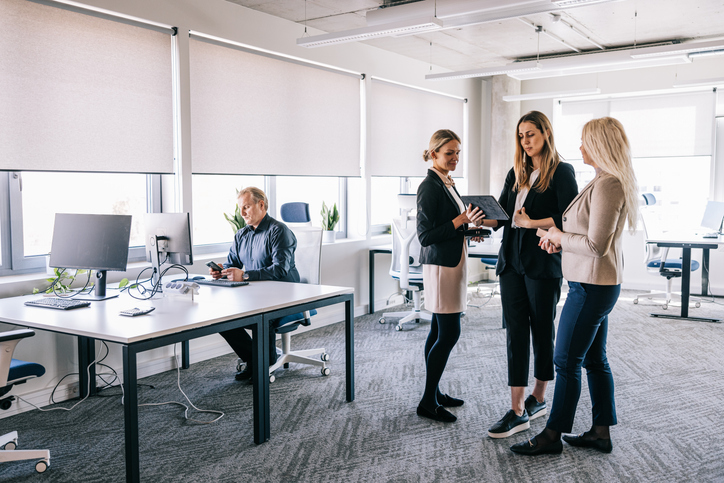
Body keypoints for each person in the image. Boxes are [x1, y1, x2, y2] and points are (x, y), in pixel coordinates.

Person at [510, 117, 638, 455]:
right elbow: (587, 236)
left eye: (584, 141)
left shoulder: (609, 184)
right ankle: (600, 432)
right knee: (595, 359)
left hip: (591, 286)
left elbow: (596, 245)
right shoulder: (601, 180)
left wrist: (558, 236)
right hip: (593, 283)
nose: (580, 147)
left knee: (565, 361)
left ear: (599, 144)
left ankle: (552, 435)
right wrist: (559, 240)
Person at [480, 111, 579, 439]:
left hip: (542, 265)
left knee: (541, 330)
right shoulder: (516, 172)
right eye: (521, 135)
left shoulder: (562, 172)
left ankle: (539, 396)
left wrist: (532, 223)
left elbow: (570, 220)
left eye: (531, 134)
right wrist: (486, 219)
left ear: (546, 134)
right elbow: (507, 216)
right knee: (515, 333)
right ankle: (517, 409)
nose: (525, 140)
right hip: (510, 263)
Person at [416, 129, 484, 423]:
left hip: (452, 261)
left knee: (437, 331)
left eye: (458, 152)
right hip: (441, 267)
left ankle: (435, 393)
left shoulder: (448, 182)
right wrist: (461, 220)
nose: (455, 158)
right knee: (450, 332)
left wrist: (470, 231)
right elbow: (425, 235)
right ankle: (427, 401)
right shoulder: (429, 186)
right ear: (434, 154)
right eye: (449, 153)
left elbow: (451, 226)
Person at [209, 187, 300, 382]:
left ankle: (263, 364)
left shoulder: (279, 231)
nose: (242, 214)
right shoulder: (242, 235)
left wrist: (245, 275)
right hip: (254, 295)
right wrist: (222, 271)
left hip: (285, 295)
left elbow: (280, 270)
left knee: (262, 316)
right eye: (240, 209)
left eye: (246, 207)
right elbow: (233, 264)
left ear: (261, 205)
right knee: (221, 319)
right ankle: (255, 360)